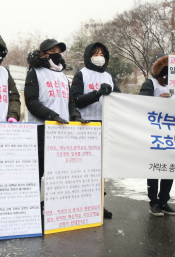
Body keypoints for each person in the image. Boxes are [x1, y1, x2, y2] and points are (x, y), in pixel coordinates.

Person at [25, 39, 87, 187]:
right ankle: (36, 205)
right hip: (41, 128)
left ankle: (56, 208)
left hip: (62, 130)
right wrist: (51, 115)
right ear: (43, 54)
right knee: (38, 171)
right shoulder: (35, 73)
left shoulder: (63, 76)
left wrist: (75, 115)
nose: (57, 55)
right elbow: (31, 101)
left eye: (59, 52)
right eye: (52, 52)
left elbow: (70, 101)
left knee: (60, 171)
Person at [70, 42, 120, 219]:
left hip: (104, 127)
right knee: (84, 168)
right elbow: (75, 100)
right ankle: (81, 204)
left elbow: (120, 100)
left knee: (100, 169)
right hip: (85, 126)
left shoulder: (109, 76)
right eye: (95, 53)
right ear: (88, 56)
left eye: (102, 54)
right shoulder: (81, 74)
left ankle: (99, 203)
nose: (99, 57)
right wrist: (97, 94)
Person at [139, 53, 175, 217]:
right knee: (155, 168)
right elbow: (142, 104)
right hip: (155, 133)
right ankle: (153, 202)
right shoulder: (151, 84)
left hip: (174, 133)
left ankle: (164, 200)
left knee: (169, 168)